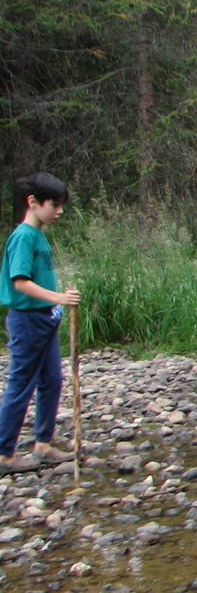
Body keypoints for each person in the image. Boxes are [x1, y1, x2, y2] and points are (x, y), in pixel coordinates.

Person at [0, 173, 80, 472]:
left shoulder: (39, 235)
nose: (59, 211)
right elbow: (20, 282)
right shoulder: (22, 236)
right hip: (27, 320)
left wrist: (57, 302)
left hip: (45, 319)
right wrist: (59, 298)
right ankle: (4, 454)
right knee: (21, 384)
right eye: (54, 204)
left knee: (51, 380)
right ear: (33, 202)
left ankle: (42, 445)